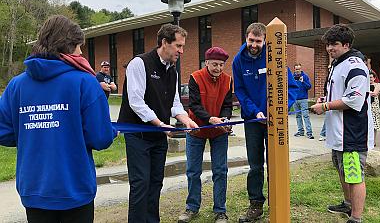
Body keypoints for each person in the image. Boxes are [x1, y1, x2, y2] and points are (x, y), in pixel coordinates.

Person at [0, 15, 116, 223]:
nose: (81, 52)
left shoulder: (16, 85)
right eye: (79, 47)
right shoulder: (85, 82)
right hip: (74, 188)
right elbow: (101, 137)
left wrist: (35, 132)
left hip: (34, 188)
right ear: (68, 46)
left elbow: (4, 132)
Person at [118, 23, 198, 223]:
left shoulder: (173, 71)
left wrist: (186, 120)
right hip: (137, 135)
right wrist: (159, 123)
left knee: (155, 182)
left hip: (158, 136)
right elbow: (136, 101)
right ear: (164, 42)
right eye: (178, 46)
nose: (181, 51)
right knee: (141, 184)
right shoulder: (139, 63)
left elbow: (174, 103)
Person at [232, 22, 298, 222]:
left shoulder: (275, 58)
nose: (254, 44)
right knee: (255, 165)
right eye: (251, 40)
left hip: (274, 121)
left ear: (265, 41)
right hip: (253, 120)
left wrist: (278, 111)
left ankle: (277, 202)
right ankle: (256, 205)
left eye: (258, 41)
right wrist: (255, 112)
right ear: (246, 38)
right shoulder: (238, 60)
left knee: (275, 163)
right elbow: (240, 91)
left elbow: (291, 88)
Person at [310, 24, 374, 223]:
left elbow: (354, 100)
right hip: (338, 133)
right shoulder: (338, 63)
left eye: (334, 44)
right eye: (328, 45)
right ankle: (347, 204)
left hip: (353, 133)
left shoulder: (355, 65)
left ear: (346, 44)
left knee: (354, 175)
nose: (330, 48)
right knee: (341, 170)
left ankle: (356, 218)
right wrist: (324, 100)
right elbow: (339, 92)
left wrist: (326, 106)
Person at [178, 47, 232, 223]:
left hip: (219, 131)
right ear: (206, 63)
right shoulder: (195, 77)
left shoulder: (228, 80)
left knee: (220, 170)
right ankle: (192, 207)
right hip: (196, 129)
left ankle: (220, 210)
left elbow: (227, 104)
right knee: (193, 171)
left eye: (221, 65)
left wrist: (225, 119)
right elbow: (194, 105)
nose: (217, 68)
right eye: (214, 64)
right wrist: (210, 119)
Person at [293, 63, 314, 139]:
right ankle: (300, 131)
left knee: (306, 116)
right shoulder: (292, 77)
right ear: (294, 69)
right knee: (298, 116)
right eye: (296, 69)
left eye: (299, 69)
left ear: (301, 69)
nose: (298, 70)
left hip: (303, 99)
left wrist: (303, 82)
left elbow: (309, 87)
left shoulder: (305, 76)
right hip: (295, 100)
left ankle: (309, 133)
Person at [369, 71, 380, 146]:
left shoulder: (377, 84)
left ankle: (373, 141)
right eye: (369, 77)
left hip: (374, 107)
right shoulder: (365, 84)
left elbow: (375, 93)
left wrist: (368, 93)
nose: (370, 79)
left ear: (374, 78)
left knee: (374, 125)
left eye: (371, 77)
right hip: (367, 106)